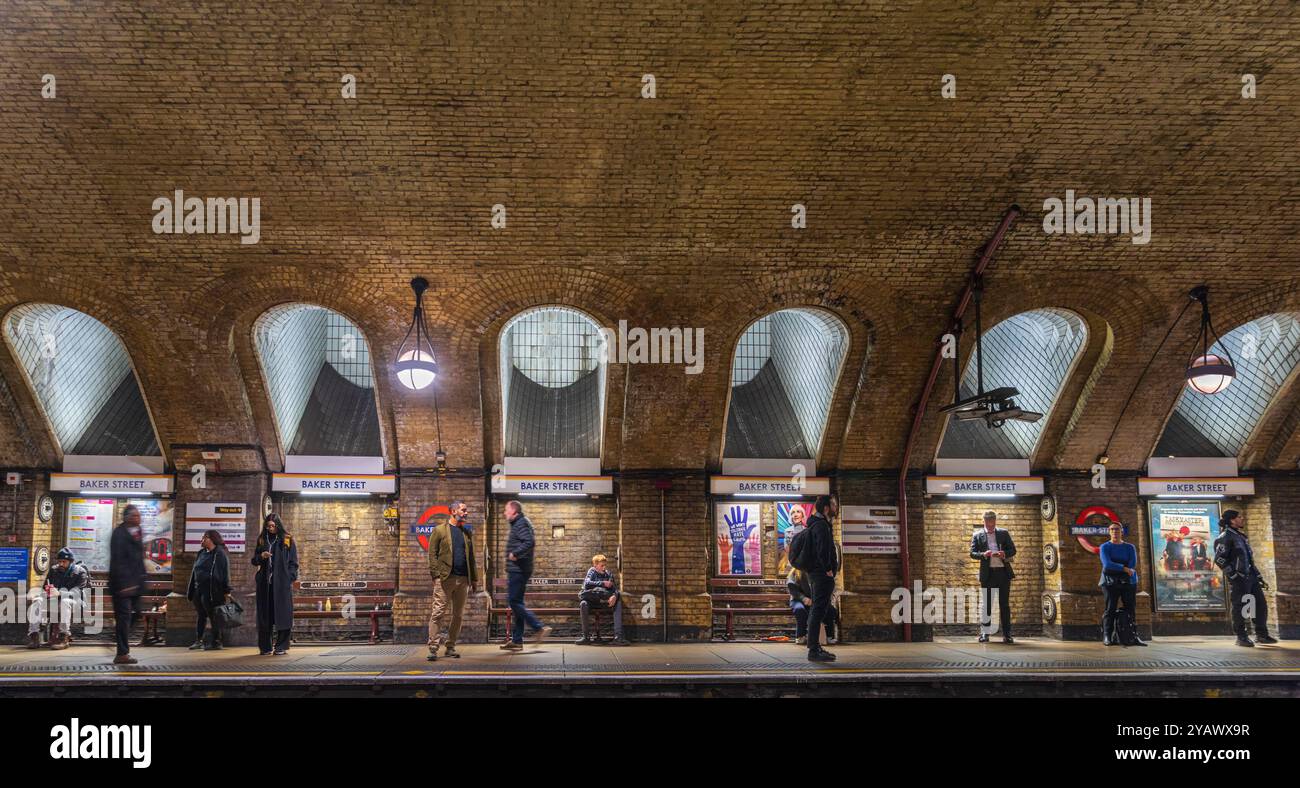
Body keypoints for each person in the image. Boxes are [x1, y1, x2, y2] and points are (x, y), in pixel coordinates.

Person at [1214, 510, 1277, 647]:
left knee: (1259, 605)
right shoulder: (1225, 537)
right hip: (1240, 579)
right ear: (1232, 520)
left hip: (1251, 577)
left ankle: (1261, 635)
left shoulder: (1240, 536)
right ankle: (1241, 637)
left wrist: (1258, 576)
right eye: (1239, 517)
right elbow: (1219, 559)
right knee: (1240, 607)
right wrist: (1234, 576)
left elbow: (1249, 560)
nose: (1242, 519)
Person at [427, 501, 477, 661]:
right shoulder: (439, 530)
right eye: (463, 510)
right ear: (453, 511)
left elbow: (471, 558)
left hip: (463, 580)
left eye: (466, 510)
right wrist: (435, 575)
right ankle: (433, 648)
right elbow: (432, 554)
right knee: (438, 613)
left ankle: (450, 646)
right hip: (445, 579)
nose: (466, 513)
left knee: (458, 615)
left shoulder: (466, 533)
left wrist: (474, 579)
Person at [500, 500, 551, 650]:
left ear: (514, 511)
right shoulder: (518, 523)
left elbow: (529, 542)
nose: (504, 513)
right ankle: (517, 641)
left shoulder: (521, 523)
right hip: (518, 569)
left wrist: (515, 553)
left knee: (514, 602)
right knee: (517, 604)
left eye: (506, 510)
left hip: (518, 569)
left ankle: (538, 627)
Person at [252, 513, 299, 655]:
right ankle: (265, 647)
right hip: (265, 585)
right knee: (265, 615)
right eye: (268, 526)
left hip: (281, 584)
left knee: (283, 614)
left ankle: (281, 646)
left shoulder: (287, 539)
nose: (270, 528)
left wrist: (289, 578)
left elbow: (293, 562)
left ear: (278, 525)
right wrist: (261, 556)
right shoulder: (262, 539)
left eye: (273, 526)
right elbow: (254, 560)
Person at [27, 546, 89, 650]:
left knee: (65, 602)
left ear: (71, 562)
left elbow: (77, 591)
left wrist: (59, 593)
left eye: (64, 562)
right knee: (37, 602)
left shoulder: (80, 572)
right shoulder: (54, 570)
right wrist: (46, 591)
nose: (61, 564)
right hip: (55, 601)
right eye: (59, 561)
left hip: (76, 603)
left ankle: (64, 637)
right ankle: (34, 636)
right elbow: (45, 587)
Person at [803, 495, 840, 662]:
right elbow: (823, 550)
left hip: (816, 574)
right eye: (833, 504)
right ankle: (813, 650)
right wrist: (828, 570)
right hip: (821, 574)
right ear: (826, 508)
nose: (835, 507)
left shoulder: (817, 524)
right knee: (818, 610)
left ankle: (814, 647)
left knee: (818, 610)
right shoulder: (821, 526)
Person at [108, 504, 146, 664]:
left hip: (136, 584)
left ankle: (119, 636)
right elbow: (118, 561)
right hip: (121, 586)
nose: (138, 518)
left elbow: (138, 559)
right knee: (124, 618)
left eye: (139, 516)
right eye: (135, 516)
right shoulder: (119, 534)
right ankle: (122, 653)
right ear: (127, 518)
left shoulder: (137, 533)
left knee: (136, 614)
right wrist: (125, 584)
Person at [970, 510, 1016, 644]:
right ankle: (985, 633)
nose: (990, 526)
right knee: (987, 605)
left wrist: (1004, 554)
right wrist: (984, 554)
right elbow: (972, 553)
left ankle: (1007, 635)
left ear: (995, 521)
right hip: (988, 574)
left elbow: (1013, 550)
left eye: (992, 524)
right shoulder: (977, 535)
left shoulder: (1003, 533)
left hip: (1003, 573)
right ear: (983, 522)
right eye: (988, 524)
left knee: (1004, 605)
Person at [1098, 522, 1145, 646]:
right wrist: (1124, 569)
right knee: (1110, 609)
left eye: (1117, 529)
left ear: (1122, 531)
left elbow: (1132, 564)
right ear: (1109, 531)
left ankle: (1134, 636)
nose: (1115, 531)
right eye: (1112, 529)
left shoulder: (1130, 547)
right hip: (1109, 582)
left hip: (1129, 581)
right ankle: (1107, 636)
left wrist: (1121, 568)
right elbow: (1107, 565)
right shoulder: (1105, 547)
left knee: (1131, 609)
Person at [187, 530, 232, 650]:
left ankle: (216, 642)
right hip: (199, 590)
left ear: (211, 539)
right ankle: (199, 640)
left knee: (214, 616)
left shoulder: (220, 554)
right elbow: (194, 572)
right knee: (201, 615)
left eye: (204, 538)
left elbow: (225, 573)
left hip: (213, 591)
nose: (201, 540)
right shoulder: (201, 553)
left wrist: (227, 590)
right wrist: (191, 590)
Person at [575, 554, 629, 646]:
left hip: (604, 602)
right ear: (595, 565)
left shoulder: (608, 573)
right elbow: (587, 584)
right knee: (583, 603)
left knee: (618, 601)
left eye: (605, 565)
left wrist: (614, 596)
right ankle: (586, 637)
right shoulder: (592, 571)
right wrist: (603, 583)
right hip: (592, 601)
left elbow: (615, 589)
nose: (604, 567)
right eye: (601, 565)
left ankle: (618, 637)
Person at [788, 565, 837, 646]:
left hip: (815, 600)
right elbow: (793, 590)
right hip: (798, 600)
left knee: (830, 610)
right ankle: (801, 636)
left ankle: (829, 636)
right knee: (800, 610)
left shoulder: (817, 572)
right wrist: (804, 598)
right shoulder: (795, 573)